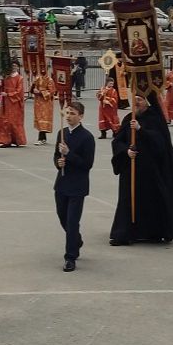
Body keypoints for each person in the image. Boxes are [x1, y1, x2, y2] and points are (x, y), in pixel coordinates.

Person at [110, 92, 173, 244]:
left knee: (151, 201)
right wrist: (126, 151)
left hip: (151, 171)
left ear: (147, 102)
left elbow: (160, 144)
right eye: (134, 100)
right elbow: (118, 141)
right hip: (131, 169)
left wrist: (141, 129)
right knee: (128, 200)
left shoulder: (155, 119)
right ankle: (126, 232)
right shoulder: (129, 118)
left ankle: (152, 232)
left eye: (140, 100)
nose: (136, 103)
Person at [53, 101, 95, 271]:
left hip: (78, 185)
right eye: (67, 113)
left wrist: (69, 155)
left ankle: (70, 257)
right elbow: (56, 156)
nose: (69, 116)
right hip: (62, 183)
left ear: (81, 116)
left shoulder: (87, 137)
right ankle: (76, 240)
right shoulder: (61, 133)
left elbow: (87, 164)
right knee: (63, 217)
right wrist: (59, 162)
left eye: (73, 113)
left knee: (72, 222)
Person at [0, 62, 28, 147]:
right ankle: (6, 140)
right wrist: (0, 82)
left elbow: (19, 92)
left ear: (18, 67)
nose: (13, 67)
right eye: (12, 66)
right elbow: (0, 88)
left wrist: (9, 94)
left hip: (14, 103)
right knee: (5, 121)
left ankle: (16, 140)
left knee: (13, 122)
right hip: (5, 102)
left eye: (15, 66)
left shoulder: (19, 78)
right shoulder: (6, 77)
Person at [31, 69, 55, 145]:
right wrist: (33, 88)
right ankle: (43, 138)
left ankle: (41, 138)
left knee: (43, 119)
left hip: (46, 103)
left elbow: (51, 91)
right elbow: (32, 88)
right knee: (39, 118)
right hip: (38, 102)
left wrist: (41, 92)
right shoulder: (38, 78)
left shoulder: (50, 80)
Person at [96, 72, 122, 138]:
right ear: (107, 83)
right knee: (103, 119)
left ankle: (115, 132)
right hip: (103, 108)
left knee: (112, 120)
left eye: (112, 83)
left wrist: (108, 100)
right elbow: (98, 96)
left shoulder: (114, 91)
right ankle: (103, 134)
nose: (111, 85)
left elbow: (115, 98)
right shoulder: (102, 89)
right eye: (110, 83)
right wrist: (101, 95)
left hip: (110, 109)